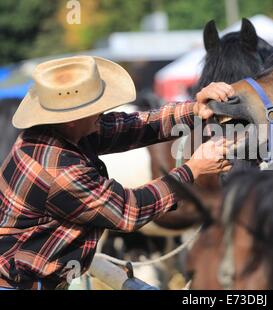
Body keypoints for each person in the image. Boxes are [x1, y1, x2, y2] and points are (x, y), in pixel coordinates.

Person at [0, 56, 234, 290]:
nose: (104, 111)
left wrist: (194, 110)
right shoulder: (60, 171)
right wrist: (193, 169)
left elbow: (134, 126)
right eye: (96, 107)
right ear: (72, 119)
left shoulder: (57, 134)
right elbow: (128, 210)